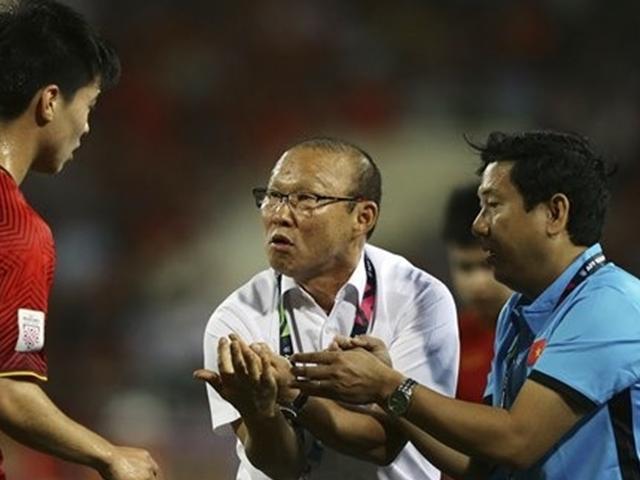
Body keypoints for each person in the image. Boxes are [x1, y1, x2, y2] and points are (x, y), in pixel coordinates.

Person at [289, 130, 640, 479]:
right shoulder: (518, 311)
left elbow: (516, 441)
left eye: (493, 205)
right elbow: (481, 464)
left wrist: (390, 385)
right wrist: (385, 392)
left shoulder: (610, 305)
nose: (478, 225)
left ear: (555, 213)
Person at [194, 137, 459, 479]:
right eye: (273, 196)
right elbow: (281, 466)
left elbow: (385, 444)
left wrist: (294, 393)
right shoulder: (236, 316)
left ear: (362, 217)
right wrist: (261, 412)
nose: (280, 215)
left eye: (306, 199)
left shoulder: (419, 298)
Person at [0, 2, 160, 479]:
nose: (86, 127)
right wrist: (108, 453)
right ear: (50, 101)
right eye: (88, 105)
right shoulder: (18, 230)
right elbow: (8, 389)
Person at [442, 184, 511, 403]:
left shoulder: (554, 330)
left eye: (487, 265)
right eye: (465, 267)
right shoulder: (447, 340)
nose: (478, 283)